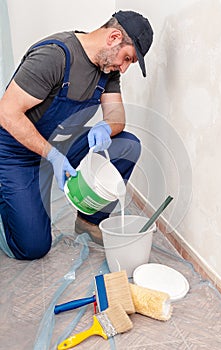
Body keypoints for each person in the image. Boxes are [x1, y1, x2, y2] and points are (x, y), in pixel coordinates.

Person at [0, 10, 153, 260]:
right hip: (18, 152)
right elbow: (6, 113)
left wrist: (106, 127)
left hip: (60, 146)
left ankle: (89, 221)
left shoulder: (108, 71)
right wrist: (52, 156)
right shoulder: (54, 56)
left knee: (128, 145)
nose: (123, 69)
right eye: (127, 58)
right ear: (114, 37)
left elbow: (117, 118)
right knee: (32, 248)